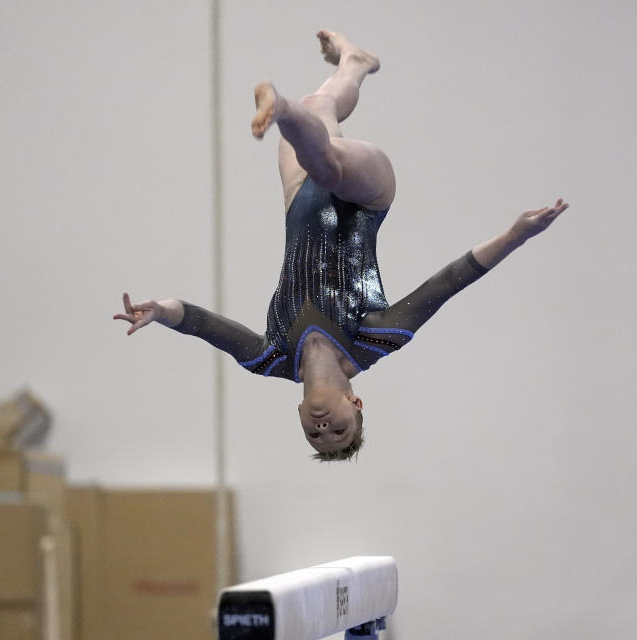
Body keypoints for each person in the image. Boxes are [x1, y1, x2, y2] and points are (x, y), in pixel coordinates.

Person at [114, 30, 569, 461]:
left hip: (300, 199)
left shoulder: (271, 356)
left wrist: (160, 311)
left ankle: (355, 63)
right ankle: (281, 106)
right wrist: (515, 235)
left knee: (322, 106)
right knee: (327, 160)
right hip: (367, 198)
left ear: (298, 417)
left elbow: (199, 323)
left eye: (314, 434)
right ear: (356, 403)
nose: (322, 426)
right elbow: (449, 282)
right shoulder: (374, 339)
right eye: (339, 429)